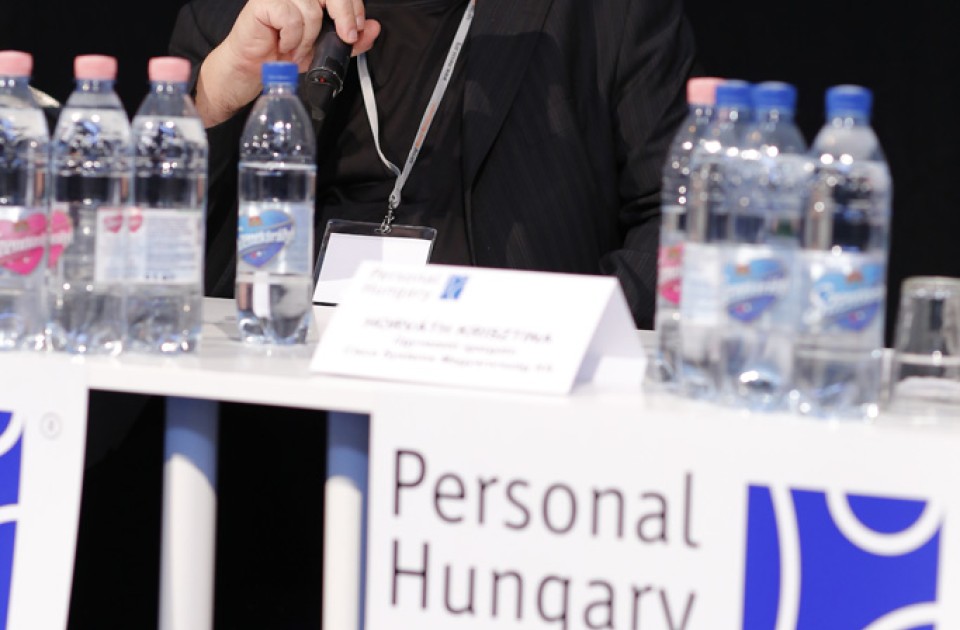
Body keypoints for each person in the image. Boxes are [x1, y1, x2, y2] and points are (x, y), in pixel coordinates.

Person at [161, 0, 697, 627]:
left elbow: (681, 221)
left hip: (508, 453)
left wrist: (562, 332)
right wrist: (211, 99)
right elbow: (139, 231)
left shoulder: (609, 16)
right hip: (268, 430)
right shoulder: (244, 13)